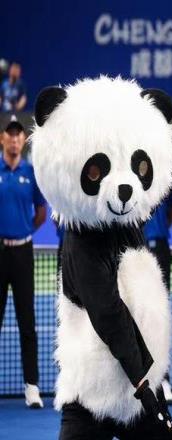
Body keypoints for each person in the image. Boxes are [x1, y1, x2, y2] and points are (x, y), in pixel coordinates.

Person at [0, 115, 46, 408]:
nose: (15, 139)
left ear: (22, 140)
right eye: (10, 134)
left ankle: (32, 387)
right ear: (2, 138)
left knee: (27, 321)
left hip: (23, 253)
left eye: (19, 135)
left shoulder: (31, 172)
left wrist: (26, 229)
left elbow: (41, 211)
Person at [144, 195, 172, 404]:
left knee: (160, 318)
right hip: (134, 248)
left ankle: (163, 380)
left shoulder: (163, 185)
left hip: (160, 250)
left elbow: (171, 213)